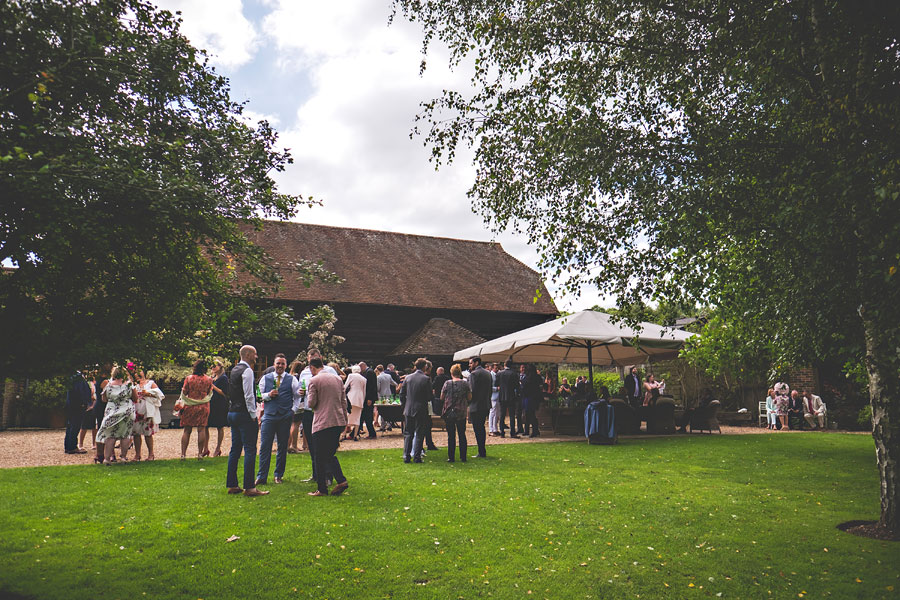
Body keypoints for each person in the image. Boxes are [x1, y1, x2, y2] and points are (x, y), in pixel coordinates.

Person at [226, 344, 268, 497]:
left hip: (232, 413)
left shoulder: (235, 370)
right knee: (250, 449)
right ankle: (250, 487)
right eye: (255, 354)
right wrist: (253, 415)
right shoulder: (247, 371)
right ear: (249, 354)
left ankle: (232, 484)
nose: (256, 357)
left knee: (235, 449)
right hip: (244, 414)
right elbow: (249, 395)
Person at [306, 357, 350, 497]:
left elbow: (311, 403)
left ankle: (322, 489)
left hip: (322, 422)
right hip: (337, 420)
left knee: (319, 456)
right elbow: (344, 401)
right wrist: (344, 420)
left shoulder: (314, 381)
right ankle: (341, 480)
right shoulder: (337, 379)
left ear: (312, 368)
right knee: (329, 454)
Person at [256, 354, 302, 485]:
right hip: (269, 415)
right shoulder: (265, 378)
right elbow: (258, 396)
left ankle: (278, 475)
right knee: (265, 446)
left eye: (282, 364)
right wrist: (268, 395)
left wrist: (293, 409)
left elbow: (297, 395)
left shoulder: (291, 379)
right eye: (278, 363)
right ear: (274, 364)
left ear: (286, 366)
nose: (280, 366)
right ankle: (261, 476)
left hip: (285, 416)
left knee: (282, 446)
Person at [297, 350, 341, 484]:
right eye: (310, 358)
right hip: (308, 411)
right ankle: (316, 473)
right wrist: (301, 392)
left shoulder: (330, 371)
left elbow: (337, 389)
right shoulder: (304, 373)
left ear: (320, 358)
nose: (312, 361)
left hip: (323, 411)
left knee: (324, 445)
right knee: (312, 444)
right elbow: (300, 390)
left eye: (315, 358)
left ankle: (327, 475)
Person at [96, 366, 138, 464]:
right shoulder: (129, 385)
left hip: (112, 411)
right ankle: (123, 457)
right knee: (125, 434)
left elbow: (104, 399)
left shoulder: (109, 385)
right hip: (127, 411)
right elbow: (135, 398)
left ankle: (107, 459)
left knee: (110, 435)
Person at [179, 360, 213, 460]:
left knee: (187, 430)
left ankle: (183, 454)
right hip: (203, 406)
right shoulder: (208, 379)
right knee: (201, 429)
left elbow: (184, 392)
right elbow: (209, 392)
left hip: (190, 406)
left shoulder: (189, 378)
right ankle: (199, 454)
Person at [401, 357, 432, 463]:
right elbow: (429, 396)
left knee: (408, 433)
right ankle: (417, 457)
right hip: (421, 408)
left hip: (409, 408)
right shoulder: (426, 379)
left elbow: (402, 394)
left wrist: (405, 405)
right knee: (419, 433)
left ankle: (406, 456)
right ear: (425, 367)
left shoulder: (408, 378)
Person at [441, 363, 471, 462]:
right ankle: (463, 456)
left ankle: (451, 457)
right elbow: (469, 397)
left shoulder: (447, 383)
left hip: (449, 411)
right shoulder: (465, 383)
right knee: (462, 434)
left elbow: (442, 397)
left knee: (451, 435)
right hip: (461, 412)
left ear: (451, 373)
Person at [132, 369, 164, 461]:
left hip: (147, 411)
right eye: (135, 373)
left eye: (139, 372)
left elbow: (160, 395)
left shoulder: (150, 383)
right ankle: (137, 454)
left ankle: (151, 454)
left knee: (148, 433)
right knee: (136, 433)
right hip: (136, 410)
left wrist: (148, 393)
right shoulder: (134, 385)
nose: (138, 374)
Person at [467, 356, 493, 456]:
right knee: (481, 428)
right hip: (485, 404)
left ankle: (481, 451)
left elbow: (471, 391)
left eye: (470, 363)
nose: (469, 365)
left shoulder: (473, 374)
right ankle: (482, 450)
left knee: (478, 429)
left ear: (476, 363)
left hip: (476, 405)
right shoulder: (488, 374)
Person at [65, 370, 91, 454]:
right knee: (75, 426)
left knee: (70, 425)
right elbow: (81, 392)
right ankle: (72, 446)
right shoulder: (78, 377)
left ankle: (68, 446)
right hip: (77, 405)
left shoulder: (72, 376)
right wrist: (84, 403)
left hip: (71, 405)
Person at [206, 359, 229, 457]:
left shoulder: (223, 378)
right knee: (205, 426)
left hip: (220, 405)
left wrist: (212, 386)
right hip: (210, 403)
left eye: (215, 366)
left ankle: (218, 448)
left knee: (219, 426)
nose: (213, 368)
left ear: (220, 367)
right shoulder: (212, 377)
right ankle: (205, 448)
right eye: (211, 366)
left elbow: (224, 393)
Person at [497, 360, 521, 438]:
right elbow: (517, 386)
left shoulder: (499, 373)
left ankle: (502, 432)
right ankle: (512, 432)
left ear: (505, 365)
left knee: (502, 415)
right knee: (511, 416)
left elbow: (497, 384)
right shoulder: (514, 374)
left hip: (502, 395)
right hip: (511, 396)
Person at [343, 365, 366, 441]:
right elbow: (364, 391)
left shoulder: (351, 376)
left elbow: (345, 387)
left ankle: (343, 435)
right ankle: (355, 435)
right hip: (360, 398)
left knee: (347, 416)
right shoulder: (364, 379)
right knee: (357, 418)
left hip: (351, 397)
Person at [287, 360, 305, 453]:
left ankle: (289, 444)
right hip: (297, 402)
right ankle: (294, 445)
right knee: (296, 424)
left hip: (290, 402)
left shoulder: (289, 376)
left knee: (291, 424)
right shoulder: (298, 377)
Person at [521, 364, 543, 437]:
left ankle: (531, 431)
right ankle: (533, 430)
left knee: (529, 414)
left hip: (528, 397)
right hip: (534, 398)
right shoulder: (537, 377)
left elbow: (524, 384)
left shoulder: (528, 377)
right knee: (531, 414)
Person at [360, 362, 378, 439]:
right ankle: (371, 432)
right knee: (365, 415)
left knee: (368, 415)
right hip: (367, 397)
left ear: (363, 366)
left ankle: (372, 433)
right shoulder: (369, 372)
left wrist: (369, 398)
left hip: (369, 398)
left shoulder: (369, 372)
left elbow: (371, 386)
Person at [488, 363, 501, 436]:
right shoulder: (490, 375)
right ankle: (491, 429)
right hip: (493, 396)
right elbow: (488, 387)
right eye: (495, 368)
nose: (497, 369)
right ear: (492, 368)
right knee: (492, 413)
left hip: (498, 396)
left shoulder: (498, 374)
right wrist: (496, 388)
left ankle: (495, 429)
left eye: (497, 368)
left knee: (497, 413)